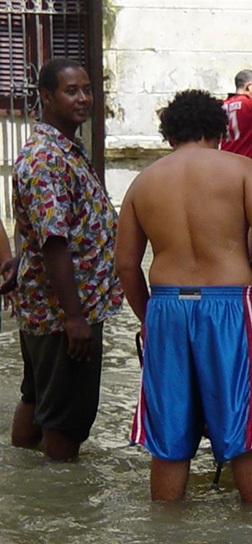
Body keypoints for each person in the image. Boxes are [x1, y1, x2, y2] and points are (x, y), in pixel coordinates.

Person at [115, 89, 252, 502]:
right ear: (220, 131)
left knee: (168, 438)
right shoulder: (242, 169)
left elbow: (125, 265)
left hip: (167, 305)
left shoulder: (143, 182)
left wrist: (147, 317)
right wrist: (249, 265)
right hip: (227, 303)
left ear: (169, 135)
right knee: (243, 431)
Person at [10, 58, 124, 462]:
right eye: (71, 91)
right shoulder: (47, 159)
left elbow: (39, 227)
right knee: (64, 418)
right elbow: (55, 241)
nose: (83, 98)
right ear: (46, 96)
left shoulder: (63, 149)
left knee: (38, 397)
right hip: (64, 312)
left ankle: (26, 475)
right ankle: (62, 501)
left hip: (52, 306)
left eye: (87, 89)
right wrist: (74, 318)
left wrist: (20, 260)